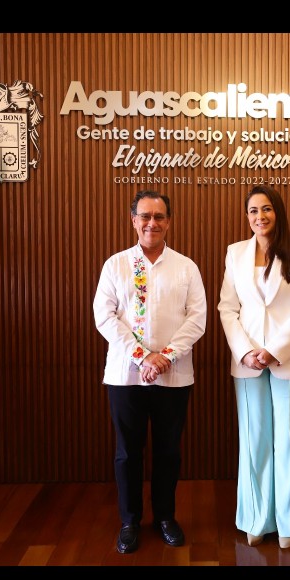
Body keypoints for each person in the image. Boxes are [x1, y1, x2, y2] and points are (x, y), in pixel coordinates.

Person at [93, 190, 207, 554]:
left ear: (168, 222)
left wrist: (165, 357)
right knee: (128, 451)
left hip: (174, 376)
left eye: (159, 217)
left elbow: (197, 319)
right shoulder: (116, 265)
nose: (152, 223)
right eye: (145, 216)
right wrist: (143, 357)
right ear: (134, 220)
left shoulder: (186, 267)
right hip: (126, 375)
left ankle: (165, 517)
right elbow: (104, 317)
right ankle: (129, 521)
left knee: (168, 451)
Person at [217, 185, 290, 549]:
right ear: (247, 216)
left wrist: (274, 351)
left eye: (266, 209)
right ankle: (257, 518)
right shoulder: (235, 252)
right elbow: (227, 307)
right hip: (247, 362)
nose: (259, 216)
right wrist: (246, 351)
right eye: (253, 211)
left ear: (277, 211)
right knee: (254, 439)